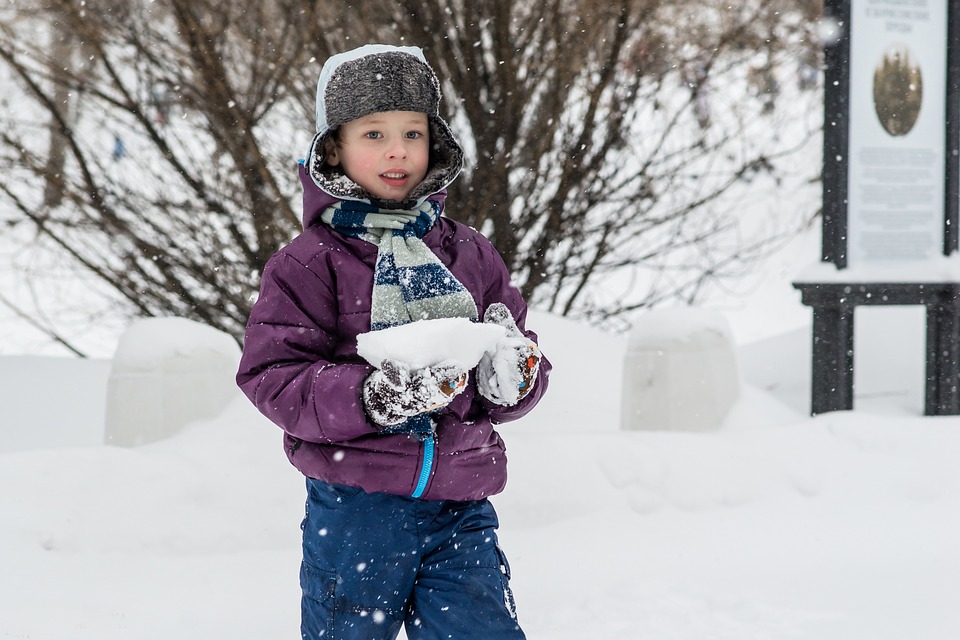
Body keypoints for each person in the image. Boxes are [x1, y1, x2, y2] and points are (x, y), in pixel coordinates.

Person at [236, 43, 551, 640]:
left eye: (413, 132)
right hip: (356, 503)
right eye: (374, 134)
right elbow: (272, 375)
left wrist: (515, 377)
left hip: (462, 500)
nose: (398, 150)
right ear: (333, 149)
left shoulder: (468, 252)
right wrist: (371, 397)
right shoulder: (310, 263)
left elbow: (514, 353)